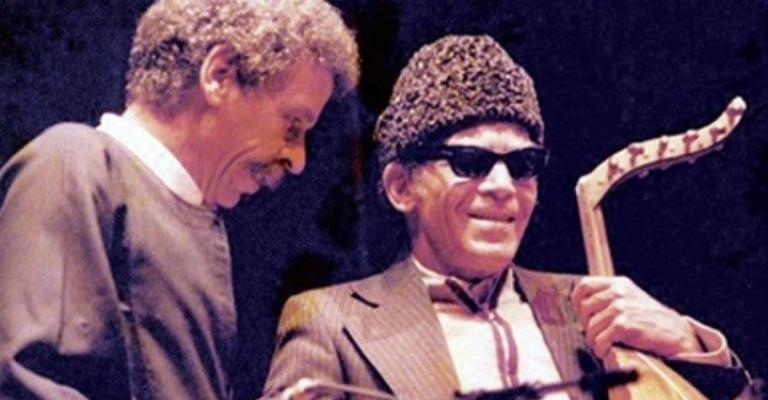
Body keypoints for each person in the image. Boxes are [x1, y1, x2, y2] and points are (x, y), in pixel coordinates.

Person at [263, 35, 748, 400]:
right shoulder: (330, 322)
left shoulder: (593, 309)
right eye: (470, 162)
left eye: (522, 165)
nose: (502, 186)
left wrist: (689, 344)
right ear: (401, 187)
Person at [0, 0, 358, 398]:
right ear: (220, 76)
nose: (298, 160)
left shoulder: (199, 221)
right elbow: (27, 386)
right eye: (293, 125)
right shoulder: (74, 163)